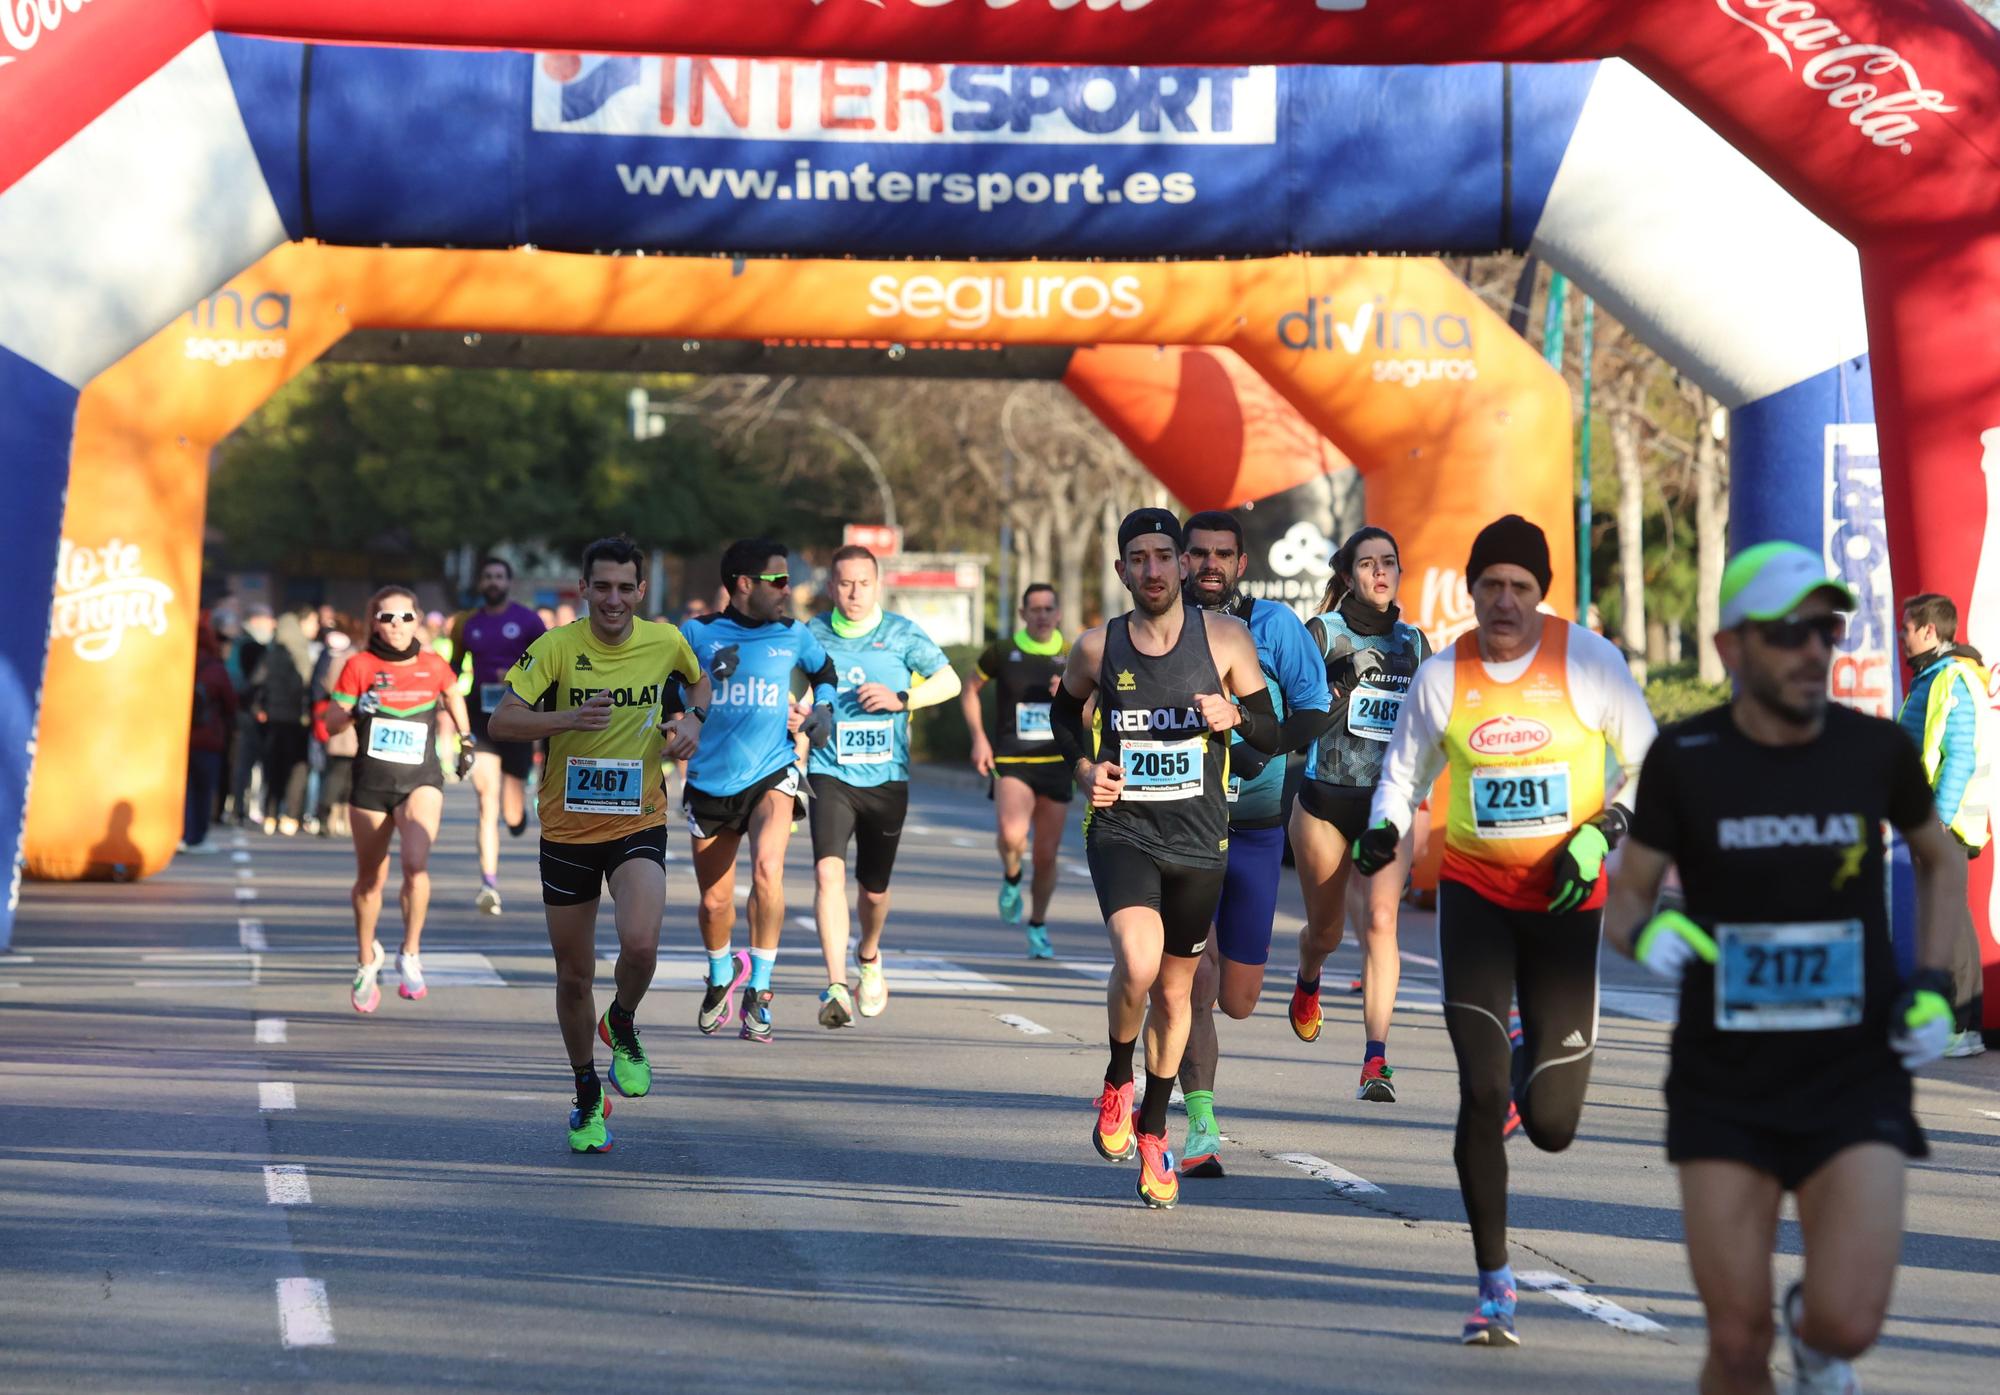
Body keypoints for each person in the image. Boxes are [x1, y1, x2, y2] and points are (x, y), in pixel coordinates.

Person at [1607, 541, 1966, 1394]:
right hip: (1724, 1077)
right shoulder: (1685, 757)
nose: (1814, 649)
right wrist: (1654, 937)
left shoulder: (1872, 749)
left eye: (1826, 631)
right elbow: (1628, 905)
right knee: (1735, 1340)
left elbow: (1939, 858)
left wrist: (1934, 987)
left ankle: (1813, 1337)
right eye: (1790, 632)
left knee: (1849, 1320)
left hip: (1855, 1069)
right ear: (1732, 646)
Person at [1353, 514, 1656, 1345]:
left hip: (1566, 902)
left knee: (1552, 1123)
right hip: (1478, 898)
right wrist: (1386, 826)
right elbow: (1403, 771)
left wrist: (1605, 828)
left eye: (1521, 587)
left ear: (1541, 593)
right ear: (1474, 588)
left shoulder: (1588, 661)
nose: (1504, 602)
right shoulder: (1446, 674)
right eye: (1490, 584)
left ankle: (1535, 1055)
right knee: (1480, 1091)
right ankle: (1495, 1286)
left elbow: (1650, 758)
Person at [1050, 508, 1283, 1210]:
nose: (1152, 569)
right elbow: (1065, 716)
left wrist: (1235, 717)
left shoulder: (1228, 639)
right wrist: (1085, 768)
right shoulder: (1098, 647)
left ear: (1183, 565)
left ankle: (1154, 1129)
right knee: (1140, 961)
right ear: (1122, 570)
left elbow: (1271, 729)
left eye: (1163, 555)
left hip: (1200, 840)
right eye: (1138, 558)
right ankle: (1118, 1077)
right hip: (1123, 830)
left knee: (1179, 994)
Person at [489, 535, 706, 1154]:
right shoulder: (556, 648)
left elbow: (698, 686)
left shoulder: (665, 641)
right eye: (601, 587)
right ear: (583, 589)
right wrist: (566, 718)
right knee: (573, 976)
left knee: (640, 945)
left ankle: (625, 1019)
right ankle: (586, 1090)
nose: (613, 600)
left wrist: (692, 722)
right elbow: (502, 721)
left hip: (637, 819)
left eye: (625, 588)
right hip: (566, 829)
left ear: (642, 591)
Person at [1173, 511, 1332, 1177]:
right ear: (1181, 560)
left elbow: (1316, 707)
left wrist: (1262, 738)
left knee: (1237, 997)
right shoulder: (1156, 631)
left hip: (1257, 826)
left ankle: (1303, 972)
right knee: (1193, 977)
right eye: (1199, 553)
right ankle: (1200, 1125)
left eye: (1223, 554)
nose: (1210, 564)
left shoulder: (1276, 628)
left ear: (1241, 562)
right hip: (1180, 825)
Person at [1288, 527, 1434, 1104]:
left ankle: (1376, 1059)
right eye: (1368, 564)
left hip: (1386, 809)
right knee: (1326, 931)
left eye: (1389, 563)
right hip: (1324, 803)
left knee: (1380, 922)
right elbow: (1290, 722)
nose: (1380, 572)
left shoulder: (1416, 644)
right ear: (1347, 575)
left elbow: (1431, 727)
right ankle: (1307, 978)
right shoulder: (1322, 634)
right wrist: (1340, 690)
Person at [681, 539, 840, 1043]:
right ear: (744, 585)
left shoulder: (793, 635)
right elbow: (667, 688)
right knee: (713, 903)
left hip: (773, 769)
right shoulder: (697, 633)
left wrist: (824, 710)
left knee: (769, 870)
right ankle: (721, 972)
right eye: (778, 580)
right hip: (709, 780)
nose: (787, 589)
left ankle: (762, 990)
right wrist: (682, 713)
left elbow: (825, 672)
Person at [804, 546, 960, 1026]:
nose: (853, 593)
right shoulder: (811, 634)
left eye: (863, 584)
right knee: (828, 874)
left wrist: (902, 699)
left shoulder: (901, 633)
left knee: (873, 892)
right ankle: (835, 985)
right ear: (830, 587)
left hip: (887, 778)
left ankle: (868, 958)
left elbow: (949, 681)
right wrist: (802, 714)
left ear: (878, 586)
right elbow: (794, 691)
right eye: (845, 583)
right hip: (830, 773)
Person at [324, 587, 474, 1015]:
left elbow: (452, 694)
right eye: (388, 618)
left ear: (417, 620)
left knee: (415, 863)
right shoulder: (359, 665)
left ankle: (409, 952)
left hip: (420, 779)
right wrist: (356, 709)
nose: (397, 625)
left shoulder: (432, 664)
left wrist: (466, 740)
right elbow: (331, 722)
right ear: (373, 621)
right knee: (370, 879)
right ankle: (367, 957)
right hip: (371, 784)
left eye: (406, 617)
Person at [1896, 592, 1992, 1057]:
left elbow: (1958, 757)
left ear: (1930, 631)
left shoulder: (1951, 678)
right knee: (1948, 920)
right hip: (1931, 821)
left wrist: (1936, 821)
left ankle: (1962, 1028)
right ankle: (1955, 1025)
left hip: (1943, 825)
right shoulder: (1932, 676)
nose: (1902, 636)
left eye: (1907, 628)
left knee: (1950, 922)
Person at [962, 583, 1072, 958]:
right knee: (1012, 836)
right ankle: (1011, 876)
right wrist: (979, 739)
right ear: (1023, 614)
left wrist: (1072, 696)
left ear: (1058, 614)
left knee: (1045, 856)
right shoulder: (1003, 651)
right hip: (1013, 760)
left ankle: (1038, 925)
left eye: (1048, 608)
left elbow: (1097, 710)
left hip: (1057, 764)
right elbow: (970, 689)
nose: (1042, 615)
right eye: (1035, 609)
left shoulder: (1073, 654)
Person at [454, 557, 548, 916]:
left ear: (509, 582)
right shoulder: (467, 623)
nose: (493, 582)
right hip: (481, 716)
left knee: (510, 813)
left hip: (518, 716)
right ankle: (488, 883)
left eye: (499, 576)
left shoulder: (527, 621)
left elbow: (548, 663)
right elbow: (453, 667)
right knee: (485, 798)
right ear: (480, 583)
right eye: (488, 576)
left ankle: (518, 812)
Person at [182, 613, 238, 855]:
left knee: (184, 789)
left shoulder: (179, 663)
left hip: (179, 738)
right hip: (208, 737)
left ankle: (181, 833)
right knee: (204, 789)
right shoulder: (215, 668)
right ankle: (197, 837)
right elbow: (230, 703)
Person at [258, 609, 316, 836]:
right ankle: (291, 815)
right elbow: (307, 685)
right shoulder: (301, 652)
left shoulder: (270, 654)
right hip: (298, 720)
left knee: (273, 767)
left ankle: (270, 814)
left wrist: (261, 707)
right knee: (297, 768)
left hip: (273, 719)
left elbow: (257, 682)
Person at [310, 620, 357, 838]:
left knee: (340, 774)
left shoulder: (342, 657)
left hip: (342, 723)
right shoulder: (352, 659)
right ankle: (330, 817)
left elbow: (326, 682)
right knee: (340, 775)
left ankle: (333, 817)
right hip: (347, 723)